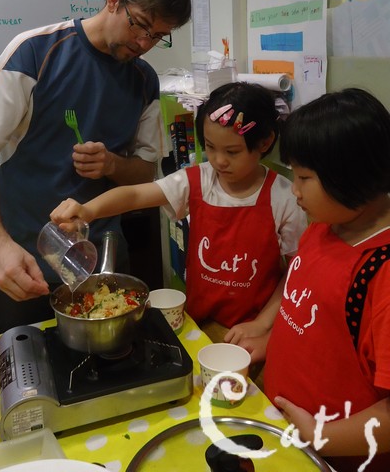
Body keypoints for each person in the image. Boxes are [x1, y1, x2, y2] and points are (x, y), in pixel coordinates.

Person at [0, 0, 191, 336]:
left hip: (101, 266)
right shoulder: (36, 52)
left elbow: (145, 171)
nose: (144, 44)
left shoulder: (145, 80)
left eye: (158, 36)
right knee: (16, 362)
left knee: (107, 363)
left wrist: (112, 164)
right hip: (19, 263)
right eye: (140, 25)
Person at [50, 81, 307, 361]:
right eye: (210, 147)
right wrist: (88, 210)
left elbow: (296, 274)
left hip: (252, 331)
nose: (219, 160)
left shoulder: (284, 197)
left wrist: (263, 324)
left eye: (232, 152)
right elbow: (135, 195)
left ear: (265, 143)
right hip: (198, 319)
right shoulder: (198, 180)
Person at [264, 88, 390, 472]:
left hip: (337, 456)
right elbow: (309, 310)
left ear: (354, 176)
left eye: (304, 177)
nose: (295, 190)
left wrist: (322, 436)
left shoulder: (380, 272)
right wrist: (265, 339)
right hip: (286, 435)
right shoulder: (324, 226)